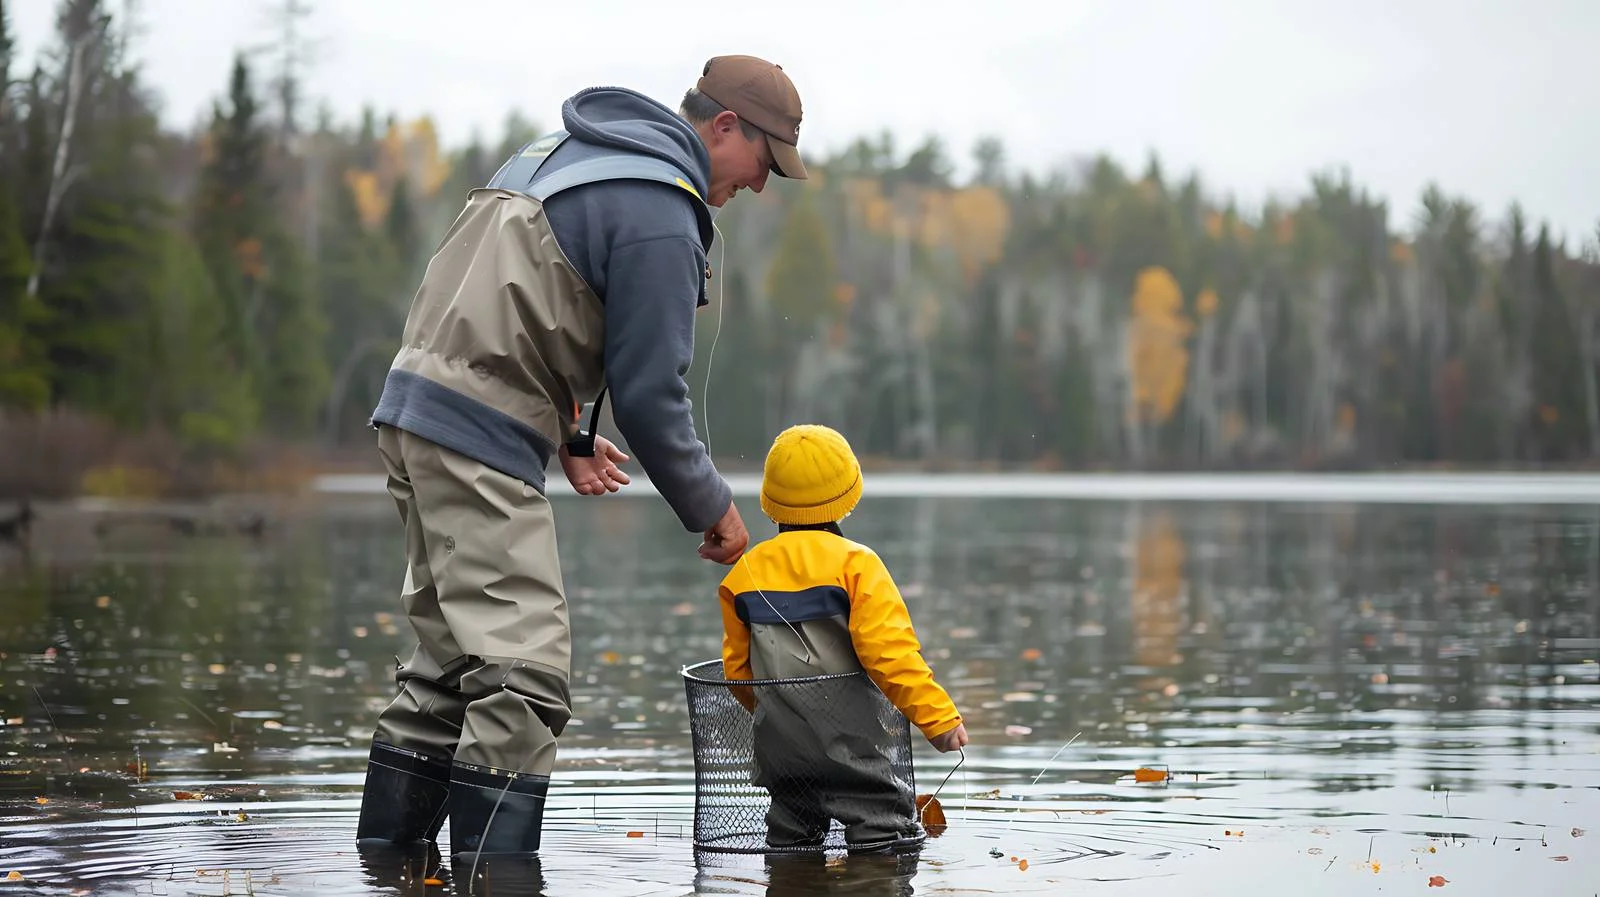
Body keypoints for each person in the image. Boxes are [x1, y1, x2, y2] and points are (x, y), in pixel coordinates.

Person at [353, 54, 811, 862]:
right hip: (474, 438)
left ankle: (386, 869)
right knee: (522, 677)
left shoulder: (567, 153)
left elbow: (516, 299)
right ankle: (491, 879)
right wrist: (712, 505)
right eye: (764, 161)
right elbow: (649, 396)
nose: (763, 184)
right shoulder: (663, 207)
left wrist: (564, 429)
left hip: (414, 414)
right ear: (725, 127)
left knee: (448, 671)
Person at [717, 425, 970, 854]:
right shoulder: (857, 564)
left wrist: (783, 715)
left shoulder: (744, 573)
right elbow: (889, 654)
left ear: (769, 500)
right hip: (855, 755)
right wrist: (939, 719)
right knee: (881, 838)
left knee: (791, 841)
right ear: (847, 498)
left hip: (782, 756)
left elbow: (738, 671)